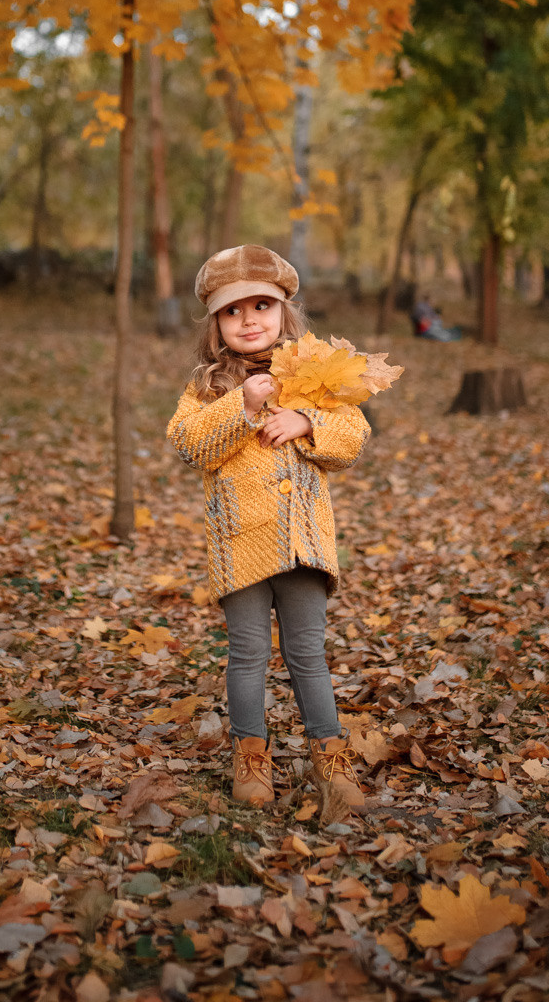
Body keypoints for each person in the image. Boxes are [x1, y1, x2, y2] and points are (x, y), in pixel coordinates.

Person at [167, 244, 371, 812]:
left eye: (262, 306)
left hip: (303, 540)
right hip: (241, 545)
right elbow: (189, 444)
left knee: (308, 652)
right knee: (248, 652)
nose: (249, 319)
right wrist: (242, 406)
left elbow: (352, 436)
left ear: (285, 312)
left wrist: (308, 420)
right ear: (215, 324)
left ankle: (328, 756)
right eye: (234, 311)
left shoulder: (311, 377)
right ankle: (250, 754)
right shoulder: (206, 387)